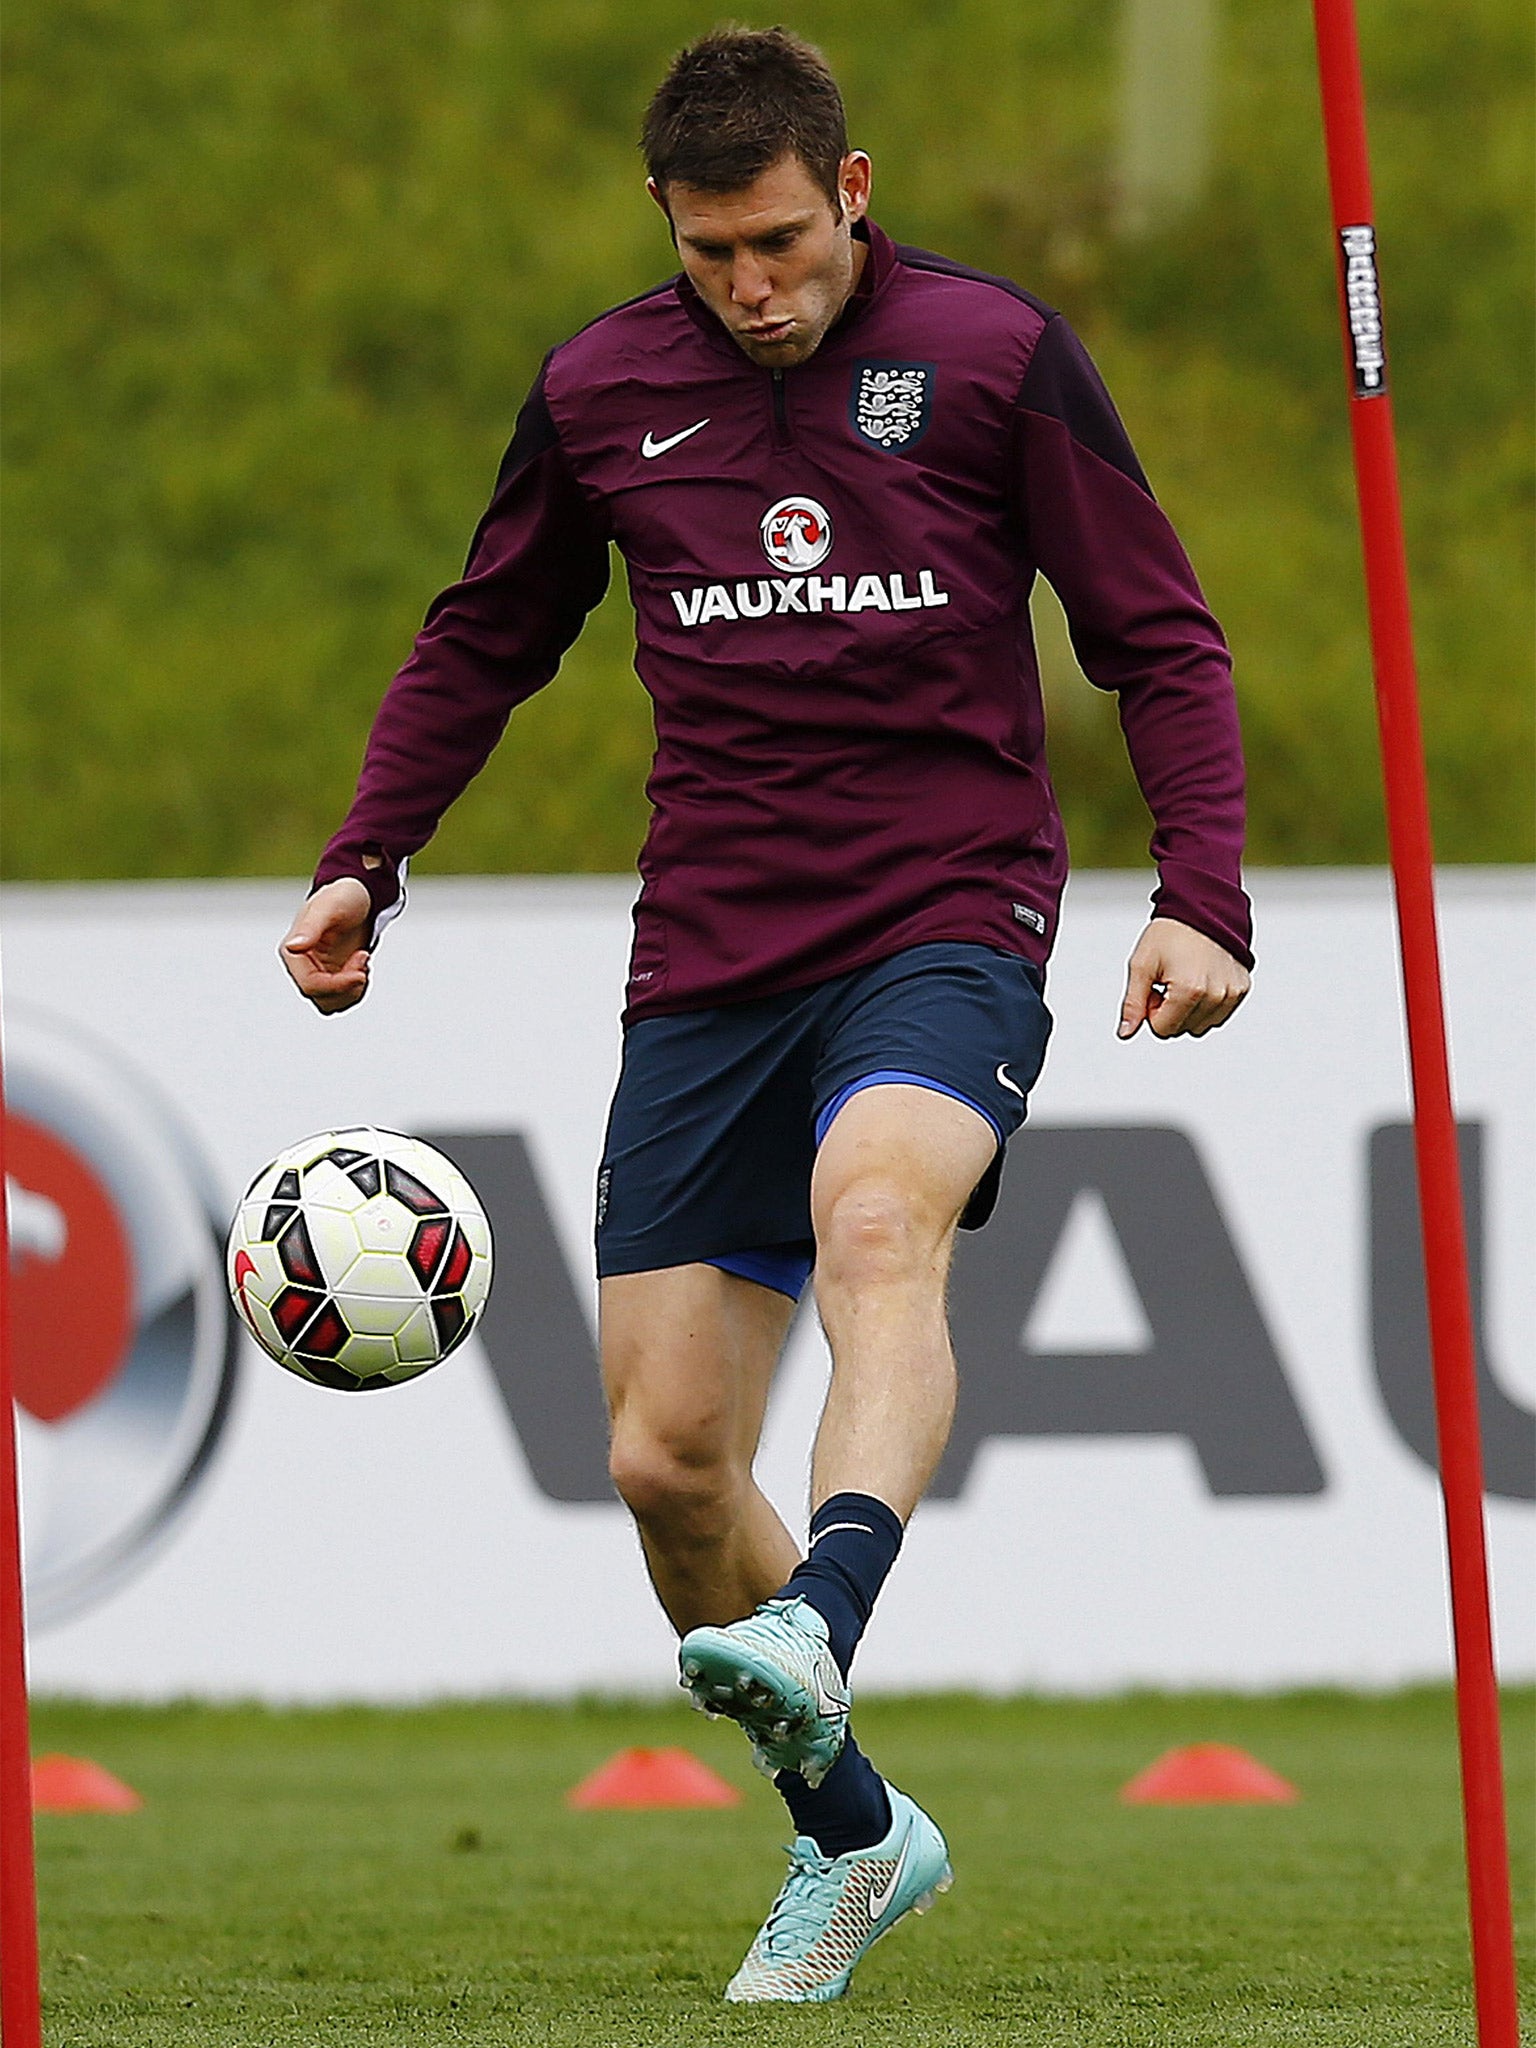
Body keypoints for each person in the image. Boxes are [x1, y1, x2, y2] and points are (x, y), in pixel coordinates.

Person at [281, 27, 1252, 2004]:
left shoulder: (991, 354)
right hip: (711, 956)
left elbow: (1155, 634)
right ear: (668, 222)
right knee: (663, 1464)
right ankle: (853, 1830)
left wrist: (1201, 892)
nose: (756, 286)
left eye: (787, 241)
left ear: (854, 192)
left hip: (945, 911)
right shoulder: (598, 388)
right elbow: (488, 633)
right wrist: (367, 854)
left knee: (879, 1220)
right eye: (715, 251)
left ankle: (824, 1612)